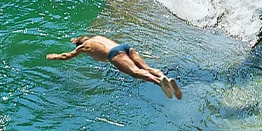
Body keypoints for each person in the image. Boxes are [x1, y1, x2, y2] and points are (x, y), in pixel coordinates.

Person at [46, 35, 182, 99]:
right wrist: (76, 39)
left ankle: (159, 83)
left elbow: (67, 56)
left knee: (135, 72)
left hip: (114, 54)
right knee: (147, 68)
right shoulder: (97, 37)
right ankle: (162, 76)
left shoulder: (84, 47)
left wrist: (55, 56)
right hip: (125, 47)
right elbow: (83, 38)